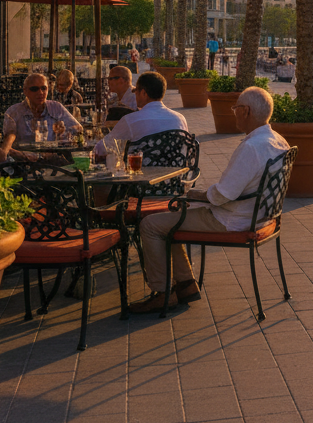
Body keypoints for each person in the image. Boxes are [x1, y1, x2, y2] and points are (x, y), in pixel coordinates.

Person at [130, 86, 290, 313]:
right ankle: (185, 284)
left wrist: (197, 194)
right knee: (170, 220)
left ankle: (163, 292)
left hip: (233, 220)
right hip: (262, 216)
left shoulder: (252, 147)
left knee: (151, 224)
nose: (234, 112)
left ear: (245, 111)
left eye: (236, 108)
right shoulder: (277, 140)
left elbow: (223, 196)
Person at [94, 71, 188, 159]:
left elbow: (102, 148)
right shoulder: (180, 119)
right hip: (175, 174)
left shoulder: (131, 120)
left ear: (143, 93)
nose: (135, 95)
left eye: (136, 92)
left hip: (142, 174)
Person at [3, 73, 81, 146]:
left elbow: (78, 129)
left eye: (44, 88)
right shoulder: (14, 112)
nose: (40, 92)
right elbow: (7, 145)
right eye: (34, 89)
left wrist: (64, 132)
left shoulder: (56, 108)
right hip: (24, 158)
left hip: (53, 157)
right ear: (25, 91)